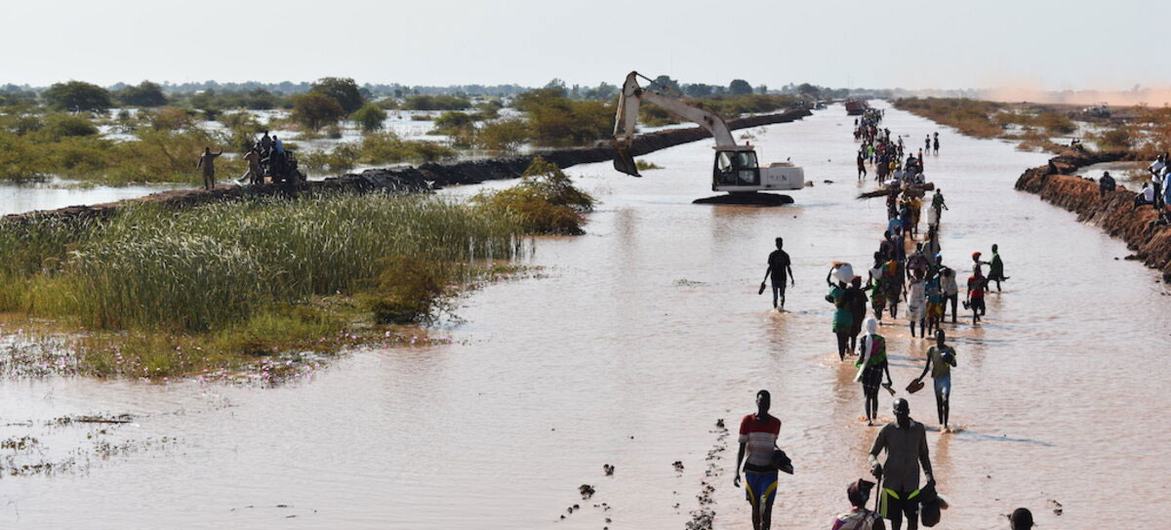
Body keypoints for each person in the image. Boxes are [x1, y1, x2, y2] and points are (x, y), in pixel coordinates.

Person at [869, 399, 935, 530]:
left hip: (912, 484)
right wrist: (875, 464)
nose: (901, 416)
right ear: (894, 413)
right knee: (896, 522)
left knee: (913, 522)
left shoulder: (919, 429)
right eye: (898, 413)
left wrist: (929, 477)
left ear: (909, 412)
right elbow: (872, 453)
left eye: (904, 413)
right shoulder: (887, 430)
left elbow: (924, 455)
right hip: (891, 484)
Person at [735, 390, 783, 530]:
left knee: (767, 507)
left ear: (770, 404)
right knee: (755, 507)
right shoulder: (747, 421)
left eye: (766, 402)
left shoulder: (776, 423)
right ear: (756, 402)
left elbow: (772, 444)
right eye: (761, 402)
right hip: (752, 471)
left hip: (770, 471)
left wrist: (781, 455)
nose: (763, 405)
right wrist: (736, 472)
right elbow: (741, 448)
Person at [914, 330, 957, 431]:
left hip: (946, 378)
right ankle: (941, 424)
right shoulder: (932, 350)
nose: (940, 340)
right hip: (936, 379)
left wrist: (949, 359)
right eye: (938, 338)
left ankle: (945, 425)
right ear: (935, 338)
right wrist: (919, 379)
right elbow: (927, 367)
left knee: (945, 400)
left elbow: (955, 364)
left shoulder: (949, 349)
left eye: (942, 338)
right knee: (939, 403)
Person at [856, 318, 893, 426]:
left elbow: (862, 357)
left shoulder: (863, 339)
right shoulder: (881, 340)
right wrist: (888, 376)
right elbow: (884, 359)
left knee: (867, 396)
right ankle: (875, 416)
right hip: (878, 370)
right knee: (875, 395)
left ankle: (869, 420)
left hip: (866, 370)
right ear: (875, 326)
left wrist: (858, 366)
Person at [827, 266, 853, 361]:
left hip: (838, 319)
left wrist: (831, 270)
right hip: (848, 320)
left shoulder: (835, 291)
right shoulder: (849, 292)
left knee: (839, 342)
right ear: (846, 285)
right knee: (845, 339)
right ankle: (846, 354)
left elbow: (828, 281)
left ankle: (842, 359)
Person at [764, 238, 795, 310]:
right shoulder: (785, 255)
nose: (779, 245)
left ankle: (776, 310)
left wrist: (792, 278)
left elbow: (770, 268)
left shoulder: (773, 255)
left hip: (776, 278)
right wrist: (792, 278)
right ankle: (781, 309)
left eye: (780, 243)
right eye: (779, 243)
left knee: (776, 296)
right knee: (781, 296)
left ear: (776, 244)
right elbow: (788, 268)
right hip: (781, 278)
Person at [847, 277, 869, 352]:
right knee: (854, 336)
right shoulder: (861, 292)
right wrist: (862, 317)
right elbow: (864, 307)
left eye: (859, 283)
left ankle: (848, 350)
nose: (859, 284)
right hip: (857, 317)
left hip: (850, 316)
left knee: (848, 335)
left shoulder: (848, 291)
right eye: (858, 283)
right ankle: (852, 351)